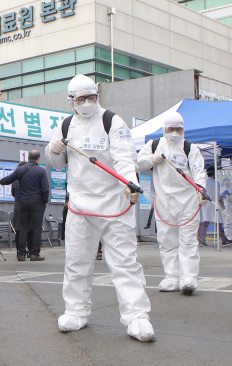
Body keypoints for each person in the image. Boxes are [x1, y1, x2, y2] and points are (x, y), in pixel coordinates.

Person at [46, 74, 154, 342]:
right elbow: (56, 163)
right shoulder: (66, 125)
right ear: (71, 100)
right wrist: (55, 148)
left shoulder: (112, 121)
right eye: (81, 99)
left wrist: (130, 183)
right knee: (76, 261)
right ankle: (76, 311)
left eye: (91, 97)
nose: (87, 103)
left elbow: (125, 156)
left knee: (125, 263)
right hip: (81, 205)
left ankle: (136, 317)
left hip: (114, 203)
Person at [137, 112, 208, 295]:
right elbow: (137, 162)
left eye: (178, 129)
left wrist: (201, 190)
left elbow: (199, 171)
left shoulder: (189, 148)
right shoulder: (154, 145)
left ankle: (188, 278)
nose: (174, 132)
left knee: (188, 241)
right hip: (163, 202)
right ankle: (171, 276)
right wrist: (152, 159)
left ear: (183, 129)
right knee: (166, 240)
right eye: (171, 129)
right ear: (164, 129)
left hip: (188, 202)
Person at [0, 150, 49, 261]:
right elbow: (45, 189)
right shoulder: (41, 171)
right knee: (36, 228)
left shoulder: (21, 169)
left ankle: (21, 254)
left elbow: (10, 179)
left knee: (22, 228)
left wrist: (1, 181)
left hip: (23, 201)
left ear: (28, 158)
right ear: (38, 159)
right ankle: (34, 254)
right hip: (37, 202)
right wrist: (45, 201)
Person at [197, 167, 230, 246]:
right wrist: (222, 196)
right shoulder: (216, 183)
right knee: (218, 223)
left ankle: (201, 240)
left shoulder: (203, 182)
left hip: (205, 204)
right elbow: (217, 196)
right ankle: (223, 239)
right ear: (214, 174)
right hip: (213, 204)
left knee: (205, 222)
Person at [11, 161, 33, 258]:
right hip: (28, 206)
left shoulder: (15, 180)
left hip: (18, 206)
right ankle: (31, 251)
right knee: (29, 229)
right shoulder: (30, 179)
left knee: (19, 230)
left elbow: (13, 193)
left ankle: (20, 252)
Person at [221, 177, 232, 242]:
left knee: (227, 224)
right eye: (225, 181)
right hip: (224, 208)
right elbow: (219, 197)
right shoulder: (222, 189)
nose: (226, 182)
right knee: (226, 223)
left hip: (230, 208)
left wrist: (226, 196)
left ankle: (229, 237)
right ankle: (230, 237)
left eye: (227, 181)